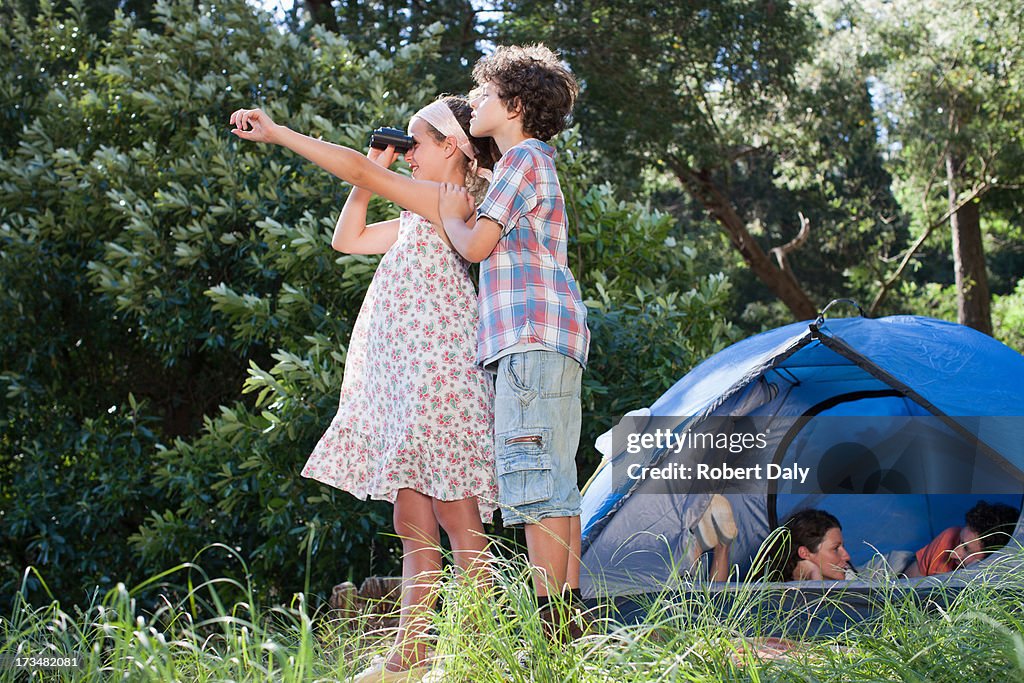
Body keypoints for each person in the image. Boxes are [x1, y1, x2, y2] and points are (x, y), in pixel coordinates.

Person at [229, 95, 499, 683]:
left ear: (452, 147)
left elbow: (354, 169)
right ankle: (411, 654)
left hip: (438, 371)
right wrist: (373, 173)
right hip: (406, 378)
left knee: (458, 514)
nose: (408, 155)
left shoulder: (451, 199)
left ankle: (477, 652)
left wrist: (281, 134)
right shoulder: (420, 211)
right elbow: (347, 239)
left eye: (416, 144)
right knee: (412, 518)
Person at [436, 44, 590, 627]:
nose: (474, 101)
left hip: (527, 337)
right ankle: (568, 619)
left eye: (485, 94)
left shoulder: (520, 161)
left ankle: (550, 628)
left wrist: (452, 215)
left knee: (532, 479)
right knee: (556, 477)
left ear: (516, 106)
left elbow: (477, 244)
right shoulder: (529, 164)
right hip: (553, 339)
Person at [906, 500, 1018, 577]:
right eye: (960, 540)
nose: (953, 554)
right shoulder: (949, 537)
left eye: (966, 549)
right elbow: (905, 585)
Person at [759, 509, 854, 581]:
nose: (847, 556)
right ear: (804, 553)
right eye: (835, 549)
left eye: (843, 547)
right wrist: (814, 575)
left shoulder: (853, 581)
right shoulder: (773, 594)